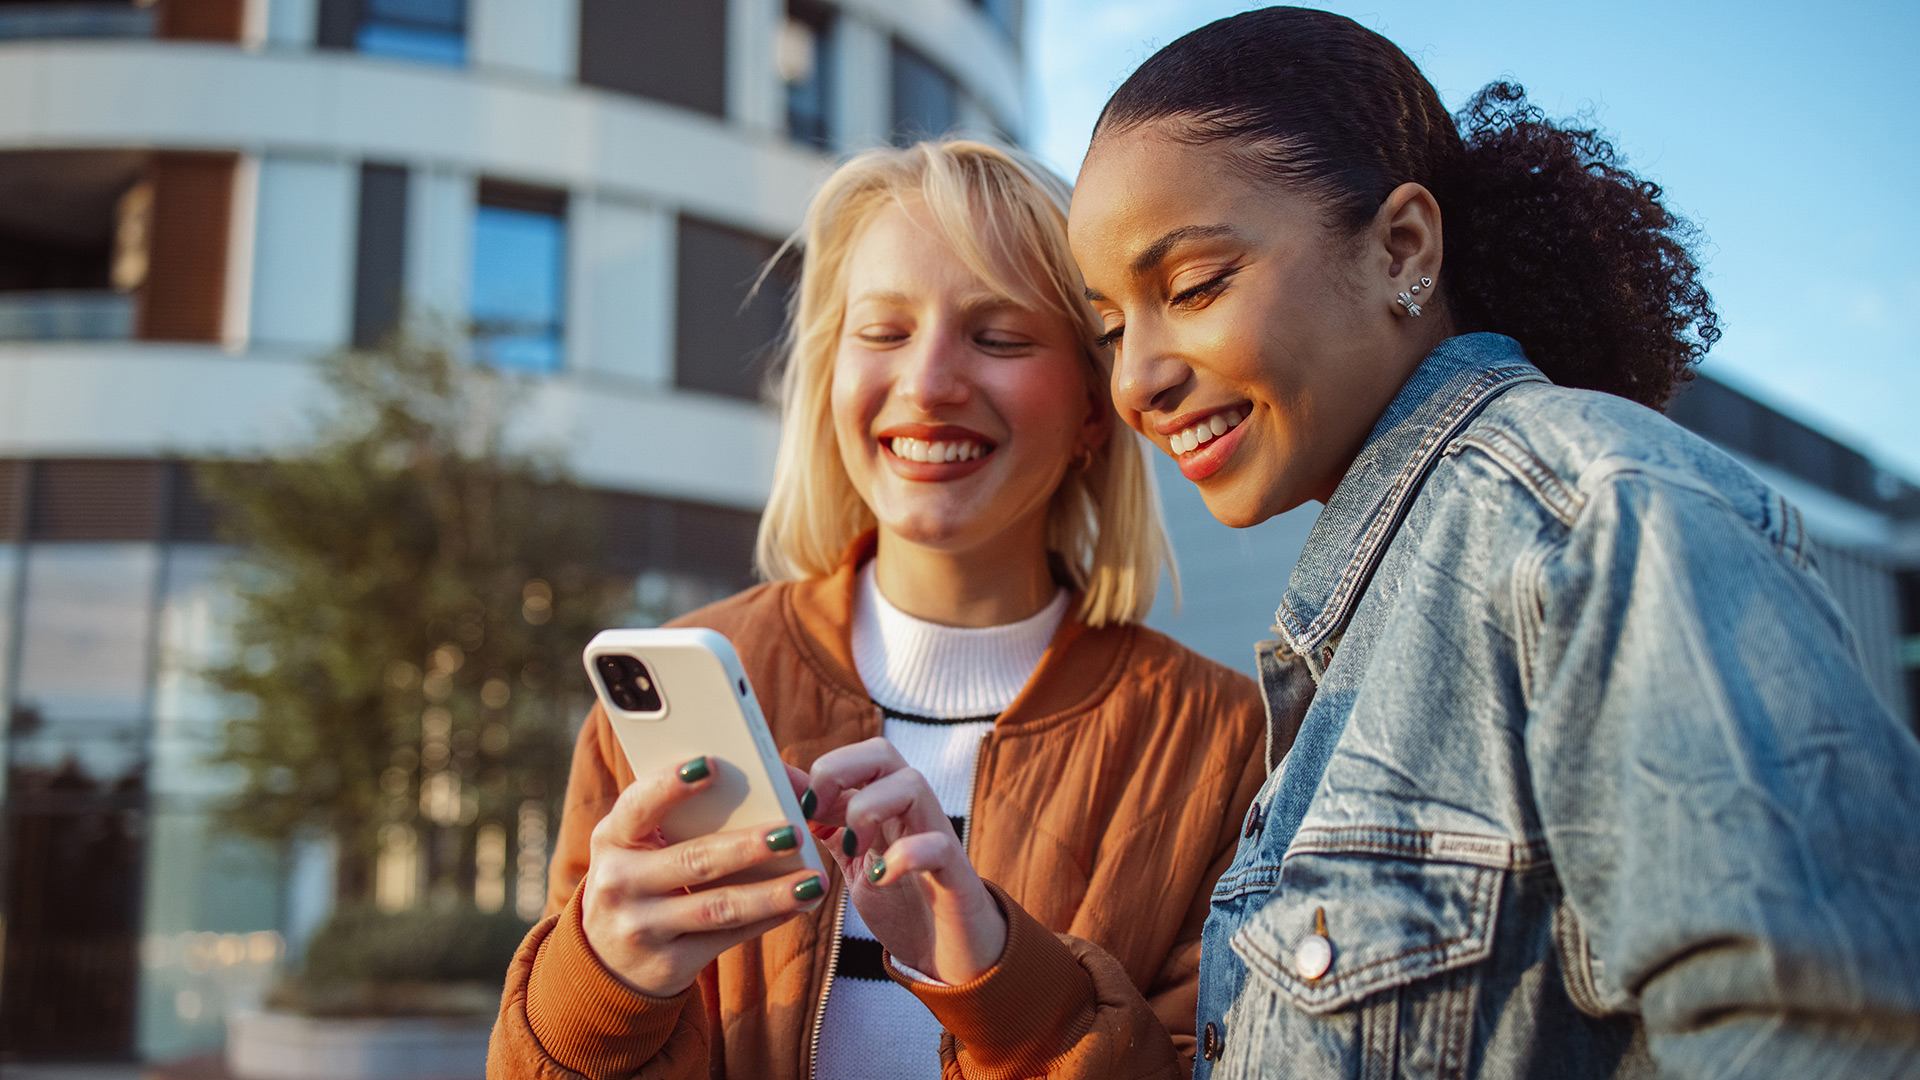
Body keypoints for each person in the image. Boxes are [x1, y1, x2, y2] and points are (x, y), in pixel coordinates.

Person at [1066, 8, 1920, 1079]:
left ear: (1402, 250)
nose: (1136, 378)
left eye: (1192, 287)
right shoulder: (1374, 607)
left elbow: (1834, 1036)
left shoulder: (1596, 523)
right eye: (1109, 328)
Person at [488, 139, 1268, 1080]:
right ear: (828, 379)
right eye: (885, 332)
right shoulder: (673, 688)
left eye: (999, 336)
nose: (930, 382)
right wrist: (601, 986)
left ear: (1094, 411)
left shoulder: (1225, 747)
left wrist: (999, 981)